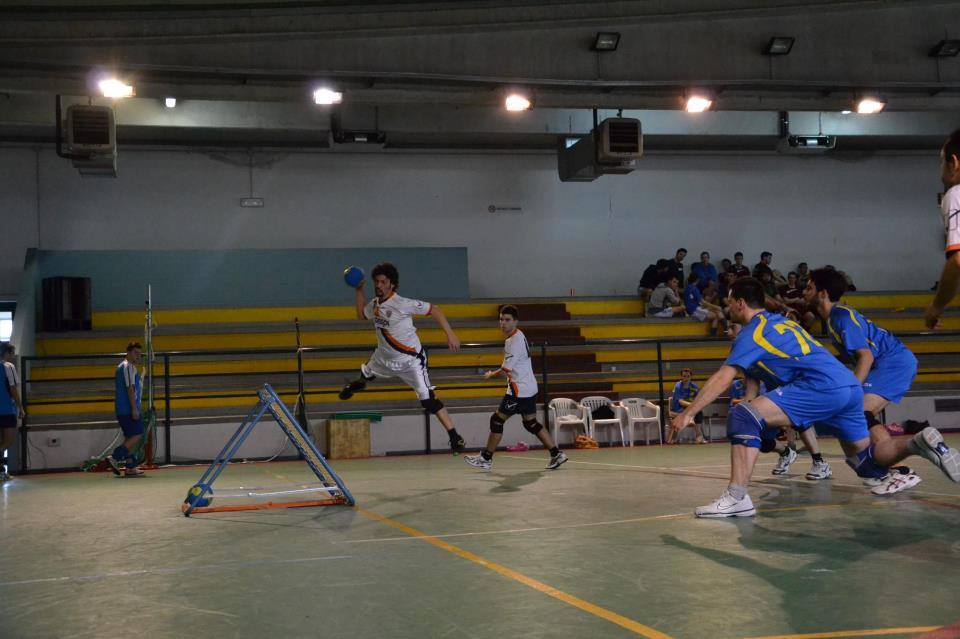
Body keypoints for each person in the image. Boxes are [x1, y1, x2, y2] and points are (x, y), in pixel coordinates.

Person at [670, 277, 960, 518]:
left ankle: (737, 499)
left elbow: (723, 377)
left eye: (729, 301)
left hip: (820, 387)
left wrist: (688, 412)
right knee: (865, 462)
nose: (727, 306)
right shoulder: (780, 323)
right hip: (848, 387)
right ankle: (917, 442)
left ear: (740, 303)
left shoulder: (752, 333)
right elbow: (755, 375)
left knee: (743, 417)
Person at [806, 267, 924, 495]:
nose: (804, 292)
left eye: (809, 287)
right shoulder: (832, 320)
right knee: (854, 414)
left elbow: (866, 357)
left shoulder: (841, 316)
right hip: (887, 363)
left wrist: (851, 388)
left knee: (860, 411)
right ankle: (880, 469)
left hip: (893, 362)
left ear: (823, 293)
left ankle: (900, 471)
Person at [339, 262, 465, 453]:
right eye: (376, 282)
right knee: (368, 372)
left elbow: (435, 309)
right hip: (383, 357)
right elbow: (362, 316)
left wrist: (451, 334)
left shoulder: (403, 303)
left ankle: (454, 436)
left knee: (428, 400)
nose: (379, 285)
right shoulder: (375, 304)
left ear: (392, 284)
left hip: (410, 360)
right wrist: (359, 290)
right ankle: (359, 384)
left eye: (383, 282)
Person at [464, 306, 567, 472]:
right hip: (529, 388)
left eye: (507, 320)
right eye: (501, 319)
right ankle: (556, 454)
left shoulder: (513, 342)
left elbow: (505, 370)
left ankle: (486, 458)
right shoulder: (519, 335)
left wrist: (490, 375)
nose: (503, 323)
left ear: (515, 321)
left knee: (497, 420)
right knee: (531, 423)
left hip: (518, 391)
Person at [926, 129, 960, 329]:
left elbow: (958, 260)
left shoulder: (956, 194)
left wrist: (936, 307)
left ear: (953, 163)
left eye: (941, 162)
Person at [106, 342, 146, 477]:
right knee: (137, 434)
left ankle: (130, 467)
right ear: (128, 352)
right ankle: (115, 457)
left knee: (129, 437)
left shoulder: (121, 367)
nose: (138, 356)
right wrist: (134, 409)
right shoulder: (128, 367)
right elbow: (130, 389)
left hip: (123, 408)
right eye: (135, 353)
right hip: (127, 409)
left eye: (139, 354)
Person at [1, 343, 24, 481]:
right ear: (6, 353)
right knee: (8, 441)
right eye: (11, 353)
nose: (12, 357)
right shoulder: (8, 367)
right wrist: (21, 407)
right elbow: (13, 389)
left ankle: (1, 472)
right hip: (6, 409)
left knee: (1, 441)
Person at [667, 368, 706, 444]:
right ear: (681, 377)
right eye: (684, 376)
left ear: (690, 377)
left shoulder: (694, 386)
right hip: (678, 408)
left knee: (699, 412)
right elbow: (681, 402)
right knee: (693, 410)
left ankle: (699, 437)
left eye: (688, 376)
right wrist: (693, 405)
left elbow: (699, 399)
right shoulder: (678, 386)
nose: (686, 378)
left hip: (689, 408)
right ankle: (698, 434)